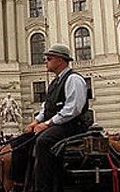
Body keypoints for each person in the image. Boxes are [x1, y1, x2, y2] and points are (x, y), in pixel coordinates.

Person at [24, 43, 90, 192]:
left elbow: (73, 109)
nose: (45, 61)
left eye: (48, 58)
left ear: (60, 60)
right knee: (24, 139)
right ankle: (22, 183)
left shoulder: (73, 79)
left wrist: (47, 124)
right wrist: (35, 122)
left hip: (72, 126)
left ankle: (46, 187)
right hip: (57, 125)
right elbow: (47, 107)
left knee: (43, 141)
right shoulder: (55, 82)